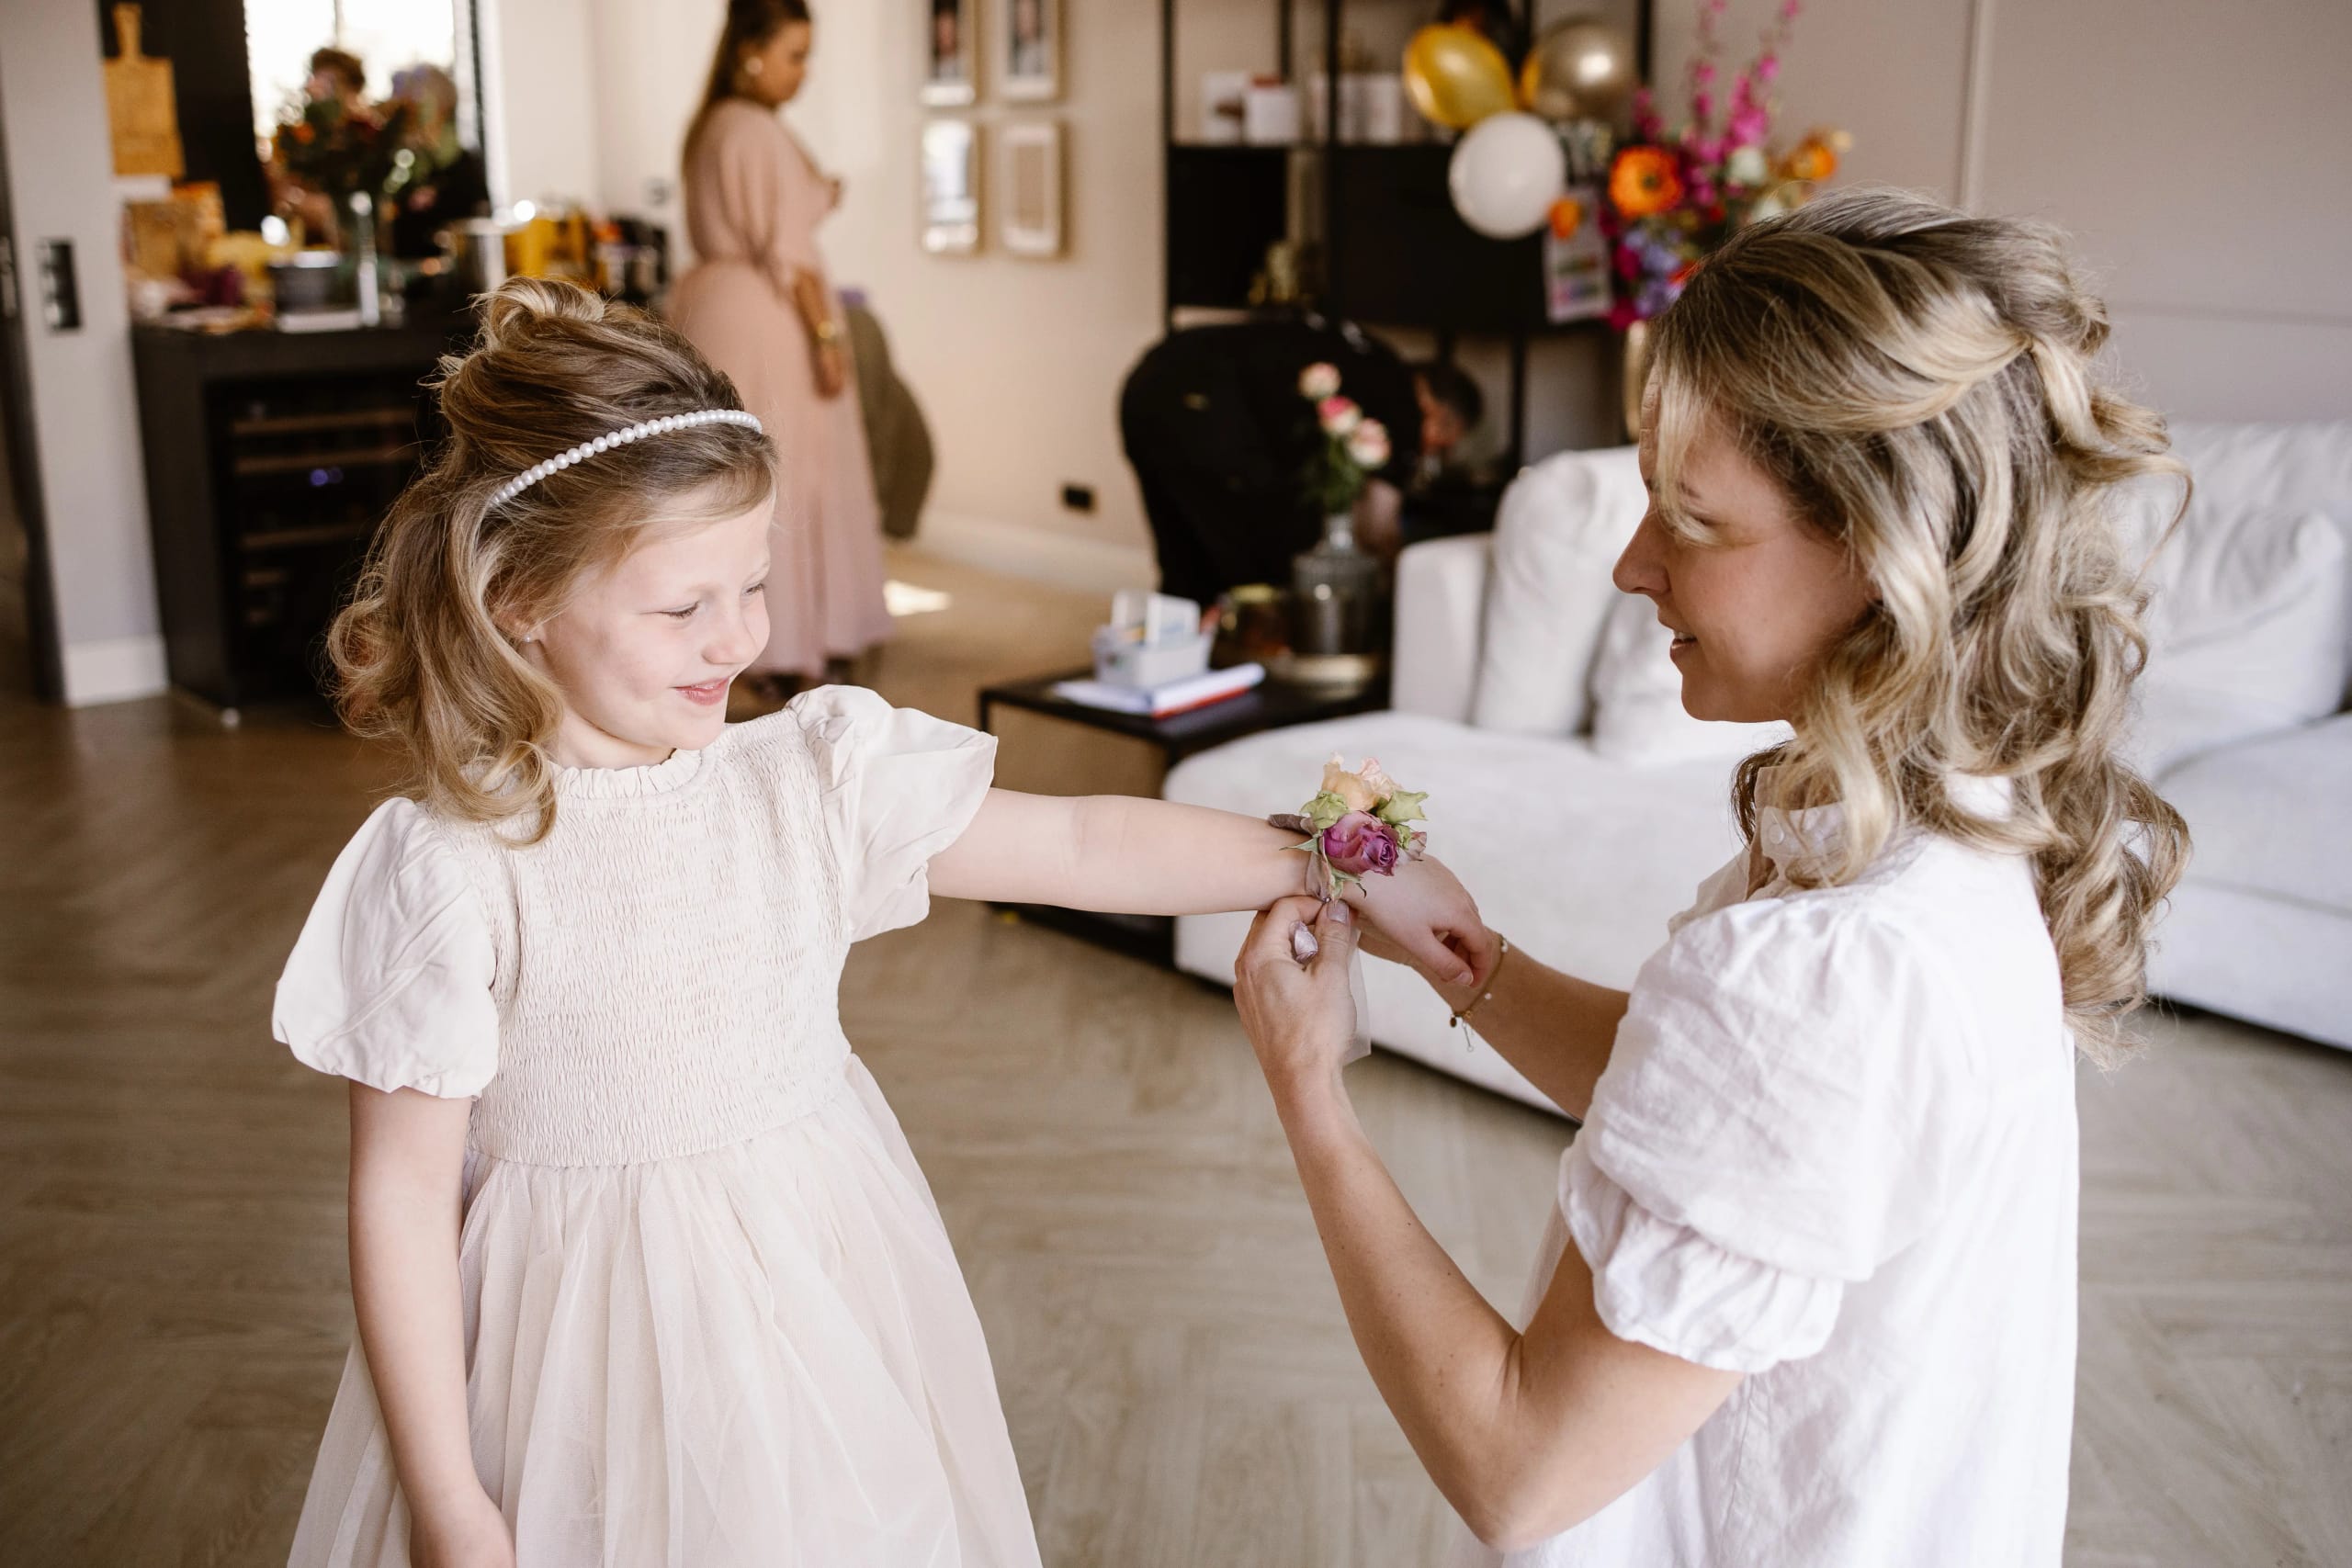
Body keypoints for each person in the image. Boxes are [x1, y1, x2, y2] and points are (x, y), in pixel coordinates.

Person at [274, 276, 1487, 1568]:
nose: (738, 635)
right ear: (516, 595)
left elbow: (1083, 839)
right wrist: (453, 1498)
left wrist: (1332, 862)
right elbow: (401, 1194)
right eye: (684, 607)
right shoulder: (453, 865)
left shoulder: (810, 776)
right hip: (566, 1345)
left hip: (813, 1299)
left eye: (756, 580)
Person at [1229, 188, 2189, 1567]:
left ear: (1881, 550)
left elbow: (1518, 1464)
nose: (1631, 564)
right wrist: (1471, 963)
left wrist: (1310, 1093)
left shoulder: (1826, 976)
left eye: (1692, 518)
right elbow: (1709, 1099)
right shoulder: (1942, 823)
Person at [671, 0, 888, 698]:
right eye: (795, 55)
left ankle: (736, 635)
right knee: (791, 472)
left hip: (711, 310)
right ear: (751, 53)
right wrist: (826, 335)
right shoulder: (755, 129)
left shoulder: (710, 127)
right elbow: (791, 257)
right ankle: (791, 643)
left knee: (729, 480)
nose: (804, 73)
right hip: (766, 320)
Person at [1118, 314, 1482, 603]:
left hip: (1150, 379)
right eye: (1443, 443)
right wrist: (1409, 583)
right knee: (1261, 560)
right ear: (1436, 415)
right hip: (1205, 402)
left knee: (1183, 554)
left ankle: (1170, 662)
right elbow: (1377, 527)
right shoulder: (1403, 405)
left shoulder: (1371, 359)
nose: (1434, 452)